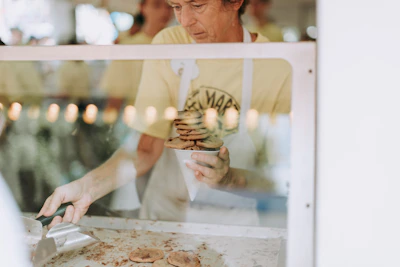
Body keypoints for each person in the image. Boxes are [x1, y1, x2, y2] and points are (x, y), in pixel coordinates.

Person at [38, 0, 291, 228]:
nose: (185, 21)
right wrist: (86, 188)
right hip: (167, 217)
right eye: (177, 6)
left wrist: (229, 178)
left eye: (197, 5)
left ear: (235, 1)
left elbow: (278, 176)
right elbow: (146, 149)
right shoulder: (170, 45)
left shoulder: (276, 65)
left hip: (233, 225)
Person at [100, 0, 174, 109]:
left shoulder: (180, 44)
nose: (164, 11)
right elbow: (115, 98)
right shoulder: (127, 48)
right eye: (156, 5)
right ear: (142, 8)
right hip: (139, 122)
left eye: (170, 6)